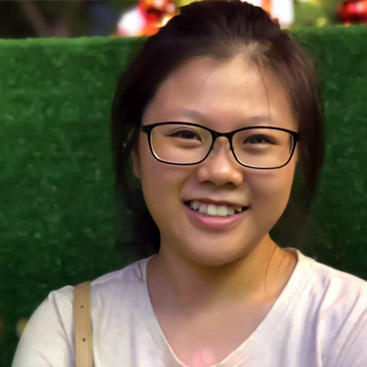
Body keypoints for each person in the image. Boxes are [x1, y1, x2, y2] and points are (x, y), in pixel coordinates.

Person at [12, 1, 367, 366]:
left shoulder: (352, 324)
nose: (220, 171)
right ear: (135, 149)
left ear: (297, 157)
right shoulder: (68, 333)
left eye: (258, 139)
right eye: (185, 134)